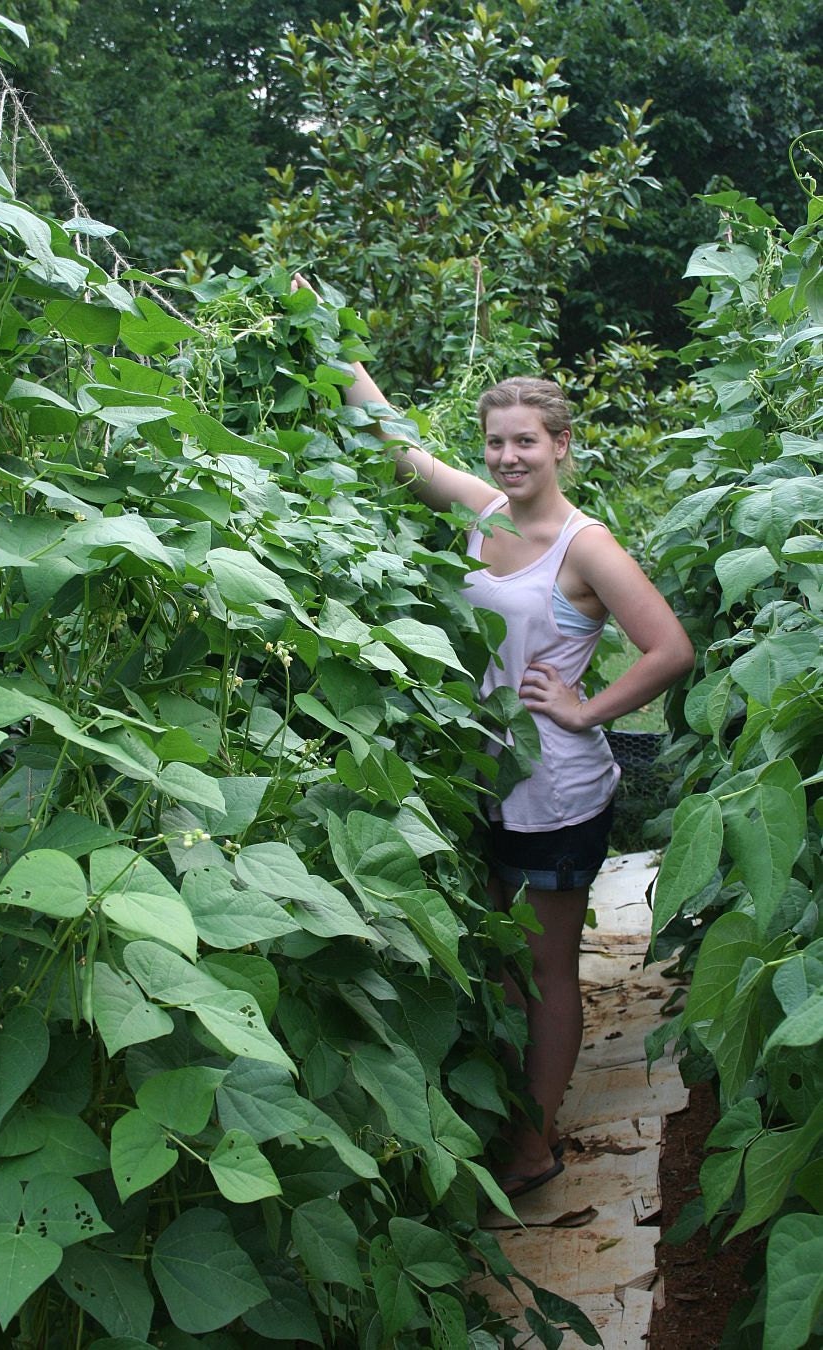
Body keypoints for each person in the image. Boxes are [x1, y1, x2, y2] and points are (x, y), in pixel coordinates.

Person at [291, 275, 694, 1197]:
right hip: (489, 775)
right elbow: (400, 447)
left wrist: (587, 709)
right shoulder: (483, 514)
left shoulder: (585, 546)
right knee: (507, 965)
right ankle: (518, 1116)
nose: (509, 457)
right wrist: (326, 333)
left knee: (545, 967)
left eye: (526, 442)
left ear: (561, 446)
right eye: (497, 441)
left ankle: (535, 1143)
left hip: (556, 788)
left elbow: (671, 648)